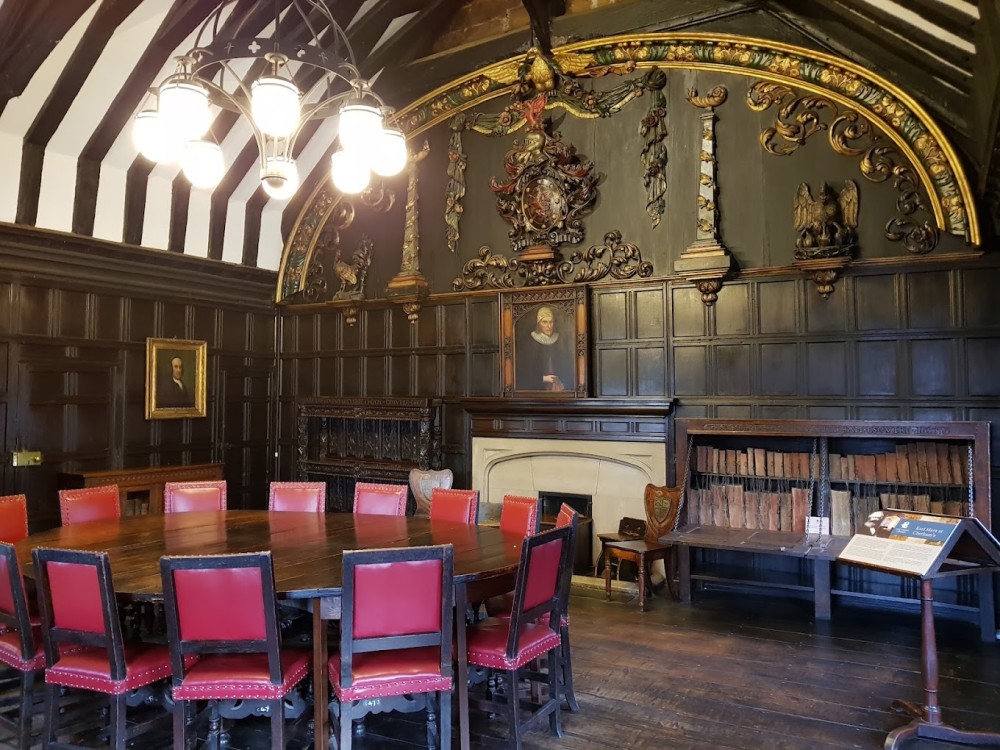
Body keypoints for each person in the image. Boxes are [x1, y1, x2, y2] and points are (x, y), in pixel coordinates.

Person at [515, 305, 574, 392]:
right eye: (544, 322)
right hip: (536, 389)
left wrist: (559, 381)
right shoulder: (529, 341)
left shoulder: (560, 340)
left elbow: (567, 367)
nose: (548, 326)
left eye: (551, 322)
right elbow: (523, 372)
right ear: (539, 323)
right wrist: (544, 378)